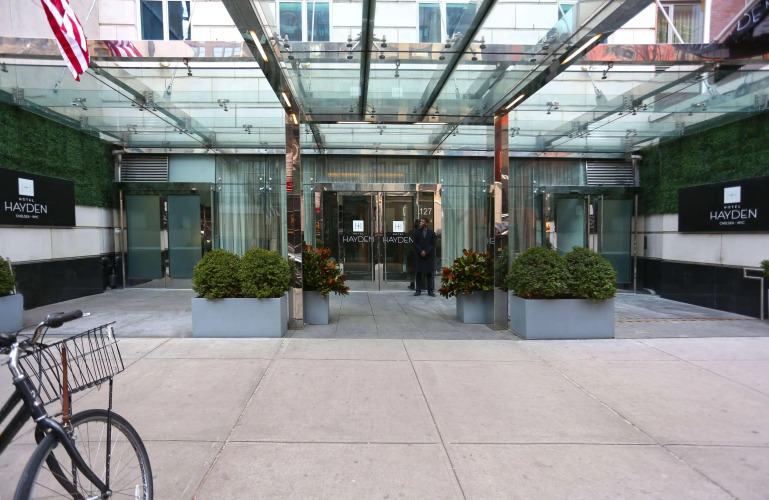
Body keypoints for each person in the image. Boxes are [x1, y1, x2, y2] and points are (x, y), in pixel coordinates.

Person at [412, 218, 436, 297]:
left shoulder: (432, 233)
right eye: (420, 222)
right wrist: (421, 251)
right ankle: (418, 290)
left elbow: (433, 245)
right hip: (419, 256)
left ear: (426, 223)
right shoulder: (416, 232)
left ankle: (430, 290)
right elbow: (415, 243)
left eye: (422, 222)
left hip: (428, 256)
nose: (420, 223)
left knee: (429, 274)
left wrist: (426, 251)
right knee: (418, 273)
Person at [407, 219, 420, 290]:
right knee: (413, 269)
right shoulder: (412, 232)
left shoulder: (412, 232)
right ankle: (413, 283)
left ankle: (413, 284)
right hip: (413, 253)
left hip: (414, 253)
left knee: (414, 269)